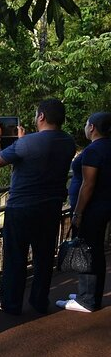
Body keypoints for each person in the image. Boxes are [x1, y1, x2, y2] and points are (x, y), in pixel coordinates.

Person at [0, 99, 76, 314]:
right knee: (44, 258)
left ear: (42, 116)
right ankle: (39, 301)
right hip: (50, 209)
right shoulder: (68, 142)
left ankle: (11, 304)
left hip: (21, 209)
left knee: (15, 258)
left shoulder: (26, 144)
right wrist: (22, 142)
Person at [56, 112, 111, 313]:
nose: (85, 128)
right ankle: (89, 293)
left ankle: (86, 300)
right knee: (95, 250)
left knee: (87, 250)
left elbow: (88, 184)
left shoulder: (93, 151)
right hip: (104, 206)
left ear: (93, 127)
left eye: (87, 124)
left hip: (91, 208)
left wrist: (78, 212)